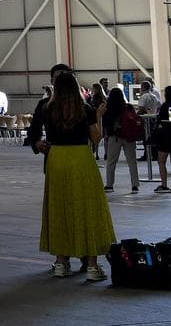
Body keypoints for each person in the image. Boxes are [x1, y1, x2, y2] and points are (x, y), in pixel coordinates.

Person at [34, 71, 115, 281]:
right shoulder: (85, 109)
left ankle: (61, 262)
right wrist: (99, 115)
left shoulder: (48, 109)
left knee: (59, 208)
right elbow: (96, 138)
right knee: (88, 208)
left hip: (56, 158)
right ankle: (92, 266)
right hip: (80, 157)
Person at [101, 87, 139, 193]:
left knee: (111, 162)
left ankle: (109, 185)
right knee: (132, 161)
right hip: (129, 137)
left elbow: (105, 124)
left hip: (115, 137)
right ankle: (135, 185)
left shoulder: (108, 108)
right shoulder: (129, 107)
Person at [154, 86, 171, 193]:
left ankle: (164, 185)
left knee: (161, 161)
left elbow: (167, 120)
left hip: (166, 137)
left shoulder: (166, 106)